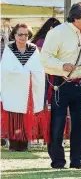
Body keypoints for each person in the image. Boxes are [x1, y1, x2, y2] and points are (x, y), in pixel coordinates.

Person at [40, 2, 81, 169]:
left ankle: (78, 162)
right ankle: (58, 162)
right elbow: (44, 59)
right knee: (57, 124)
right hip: (60, 83)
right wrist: (62, 66)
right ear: (76, 18)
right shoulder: (57, 33)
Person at [1, 23, 45, 151]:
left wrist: (25, 73)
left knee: (26, 118)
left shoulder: (33, 49)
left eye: (26, 35)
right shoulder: (9, 48)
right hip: (13, 89)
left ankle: (24, 145)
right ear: (14, 35)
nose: (23, 37)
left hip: (28, 90)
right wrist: (22, 73)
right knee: (13, 117)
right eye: (20, 34)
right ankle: (14, 145)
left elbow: (38, 69)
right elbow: (5, 69)